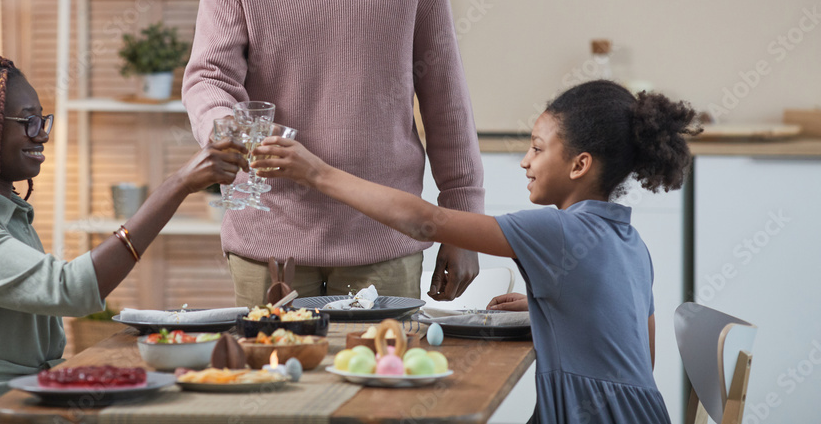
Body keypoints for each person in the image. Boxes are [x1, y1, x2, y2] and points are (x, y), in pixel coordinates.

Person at [182, 0, 483, 307]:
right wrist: (224, 126)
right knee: (274, 385)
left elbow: (444, 95)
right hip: (269, 243)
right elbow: (209, 75)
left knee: (381, 383)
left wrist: (464, 220)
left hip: (384, 240)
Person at [253, 80, 699, 423]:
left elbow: (427, 221)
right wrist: (552, 304)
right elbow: (640, 350)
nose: (525, 160)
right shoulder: (630, 241)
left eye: (538, 148)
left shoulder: (557, 230)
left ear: (580, 164)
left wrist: (318, 174)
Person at [0, 50, 245, 423]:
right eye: (28, 121)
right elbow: (67, 289)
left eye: (42, 120)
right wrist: (176, 186)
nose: (43, 134)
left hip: (21, 395)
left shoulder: (0, 210)